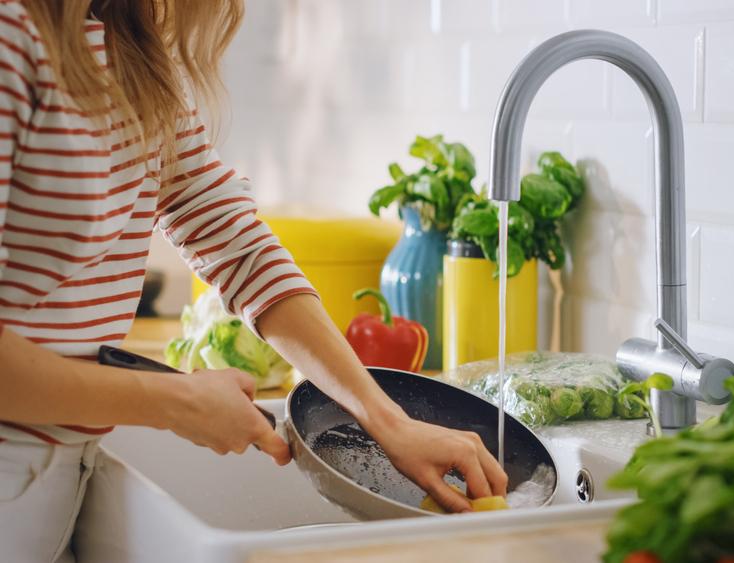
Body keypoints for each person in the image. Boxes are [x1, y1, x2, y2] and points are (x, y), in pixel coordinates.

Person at [0, 1, 507, 561]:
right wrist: (175, 401)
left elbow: (235, 242)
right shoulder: (12, 40)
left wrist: (387, 420)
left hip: (61, 471)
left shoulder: (129, 43)